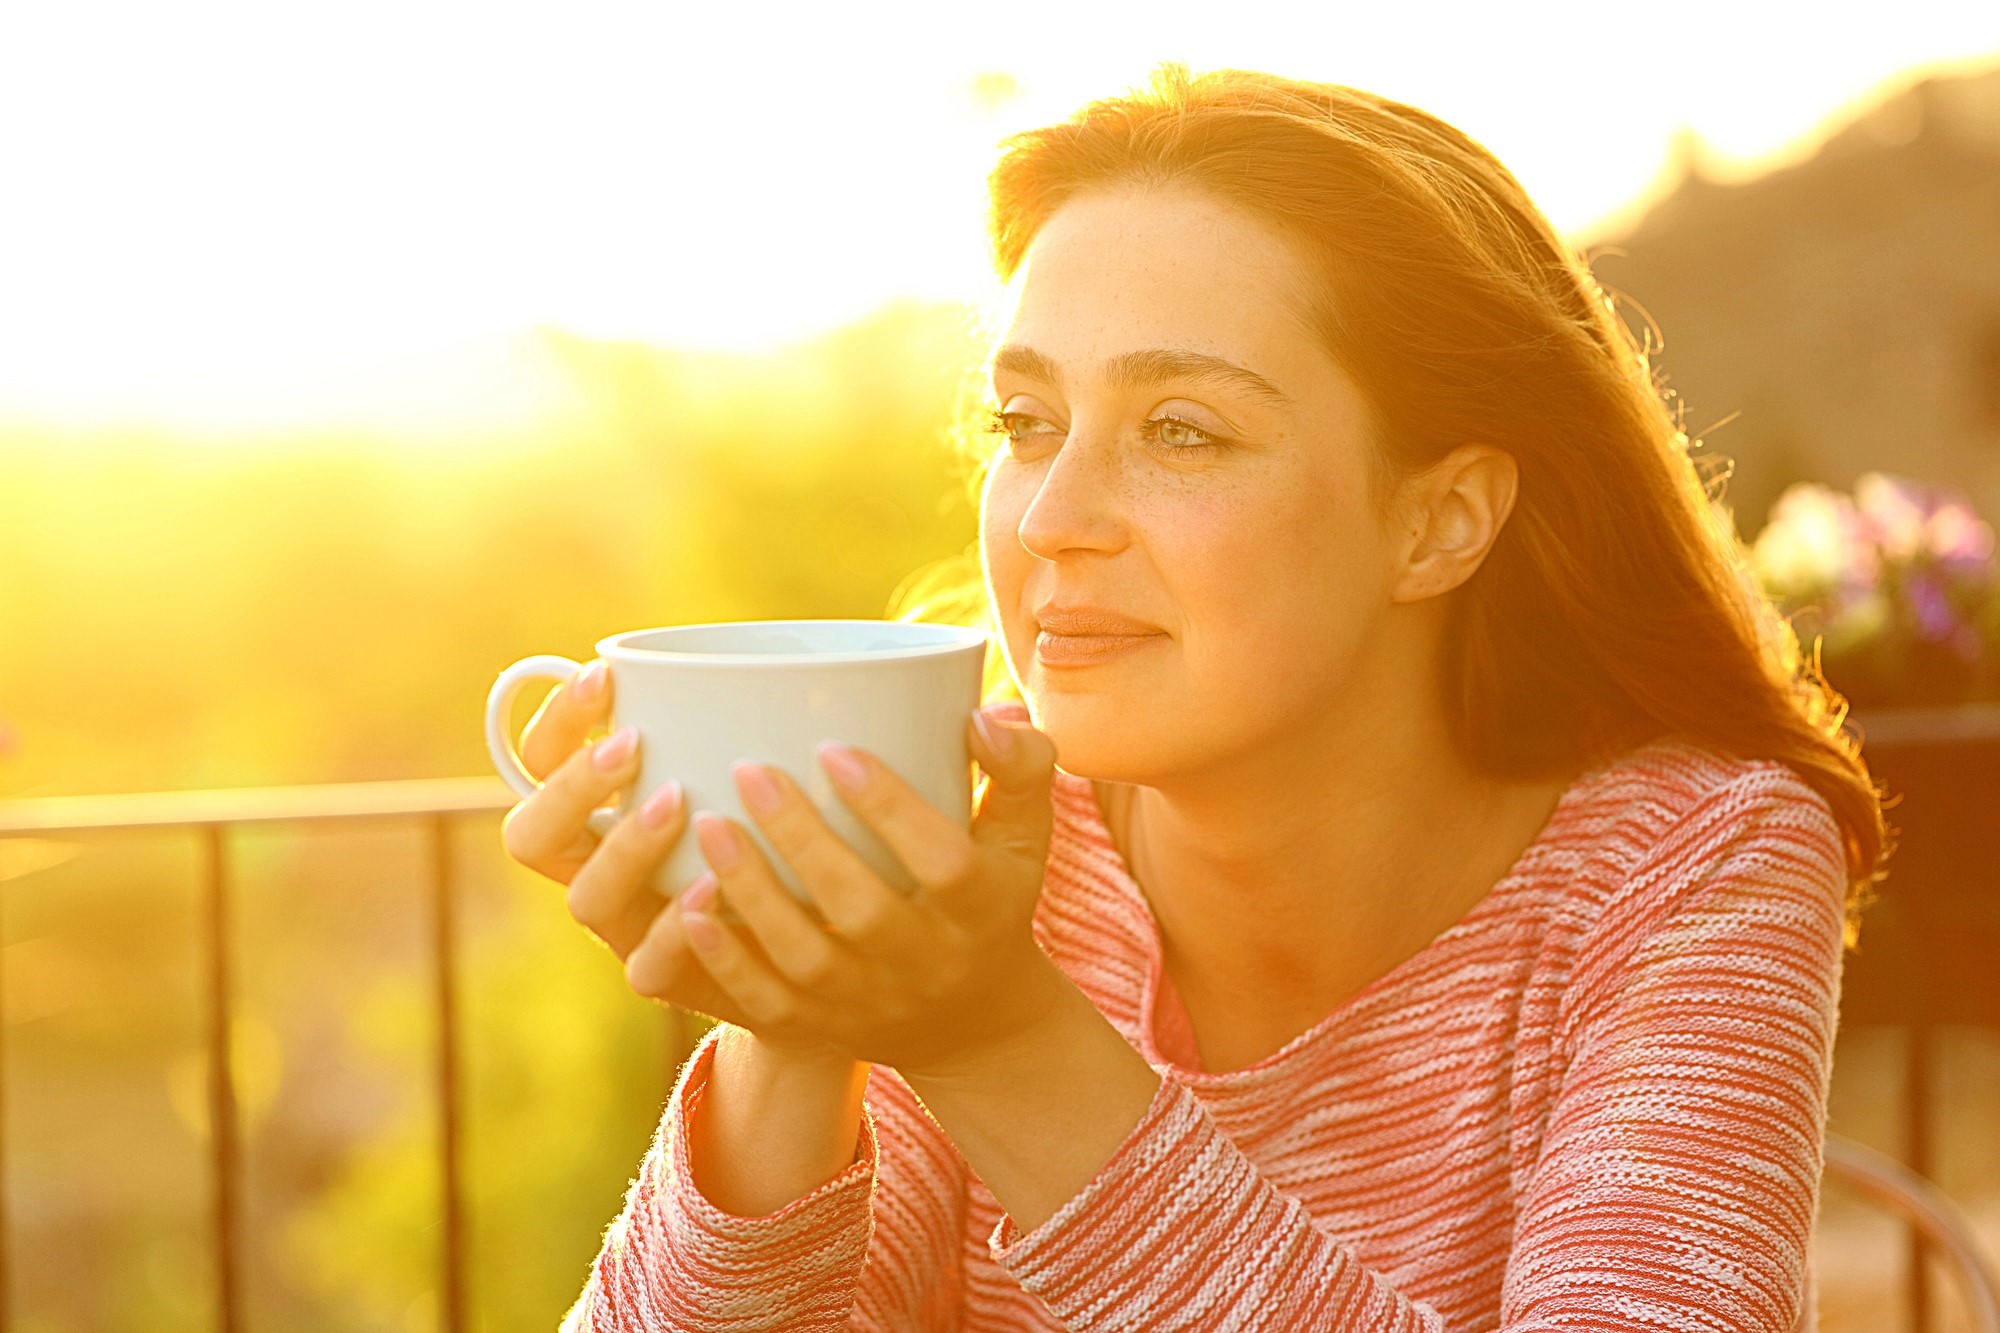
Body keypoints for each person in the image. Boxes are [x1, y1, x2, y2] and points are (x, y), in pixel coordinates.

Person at [503, 63, 1886, 1332]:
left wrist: (997, 1035)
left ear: (1440, 520)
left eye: (1182, 431)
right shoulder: (973, 835)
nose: (1049, 518)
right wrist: (792, 1026)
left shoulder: (1692, 864)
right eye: (1026, 423)